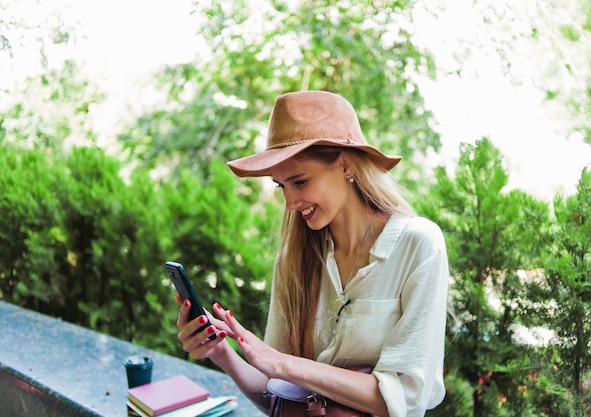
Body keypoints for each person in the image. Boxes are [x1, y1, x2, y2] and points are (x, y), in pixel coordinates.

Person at [175, 90, 449, 417]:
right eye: (282, 186)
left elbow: (408, 396)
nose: (289, 202)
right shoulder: (294, 259)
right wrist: (222, 353)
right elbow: (276, 396)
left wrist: (286, 365)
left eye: (300, 182)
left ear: (346, 165)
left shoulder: (418, 245)